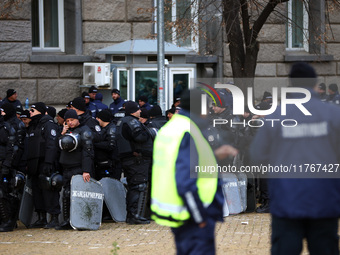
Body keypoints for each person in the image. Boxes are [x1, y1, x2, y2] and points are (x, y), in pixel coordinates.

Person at [250, 62, 340, 255]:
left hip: (286, 201)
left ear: (291, 85)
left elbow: (257, 155)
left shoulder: (275, 116)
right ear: (316, 84)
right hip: (325, 200)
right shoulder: (333, 114)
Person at [151, 89, 234, 255]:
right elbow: (185, 180)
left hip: (179, 210)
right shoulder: (189, 131)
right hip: (193, 212)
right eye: (208, 107)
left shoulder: (171, 128)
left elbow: (178, 162)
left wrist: (215, 155)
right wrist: (199, 217)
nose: (210, 110)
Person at [115, 101, 153, 224]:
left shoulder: (123, 121)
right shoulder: (131, 122)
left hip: (131, 160)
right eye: (138, 110)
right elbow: (140, 137)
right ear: (132, 111)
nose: (140, 111)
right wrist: (149, 133)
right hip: (136, 160)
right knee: (138, 186)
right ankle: (135, 215)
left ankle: (132, 215)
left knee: (134, 186)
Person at [57, 109, 94, 230]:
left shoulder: (85, 131)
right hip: (66, 167)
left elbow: (87, 152)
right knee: (66, 194)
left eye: (72, 120)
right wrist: (63, 133)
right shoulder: (67, 131)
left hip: (78, 167)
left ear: (77, 119)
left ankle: (80, 220)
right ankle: (67, 220)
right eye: (67, 121)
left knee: (78, 195)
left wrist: (86, 170)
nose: (70, 123)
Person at [26, 102, 61, 229]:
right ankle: (41, 218)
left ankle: (54, 217)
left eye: (33, 110)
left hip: (44, 163)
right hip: (34, 164)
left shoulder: (48, 124)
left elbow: (51, 145)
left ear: (40, 111)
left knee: (49, 191)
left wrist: (48, 162)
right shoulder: (33, 126)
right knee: (37, 191)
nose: (30, 112)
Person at [0, 105, 22, 232]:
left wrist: (7, 165)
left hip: (3, 165)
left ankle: (8, 220)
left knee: (3, 194)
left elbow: (12, 149)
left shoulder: (6, 128)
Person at [94, 109, 121, 180]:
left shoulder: (111, 128)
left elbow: (110, 145)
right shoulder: (104, 129)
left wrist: (95, 144)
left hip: (112, 165)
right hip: (105, 164)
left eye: (98, 118)